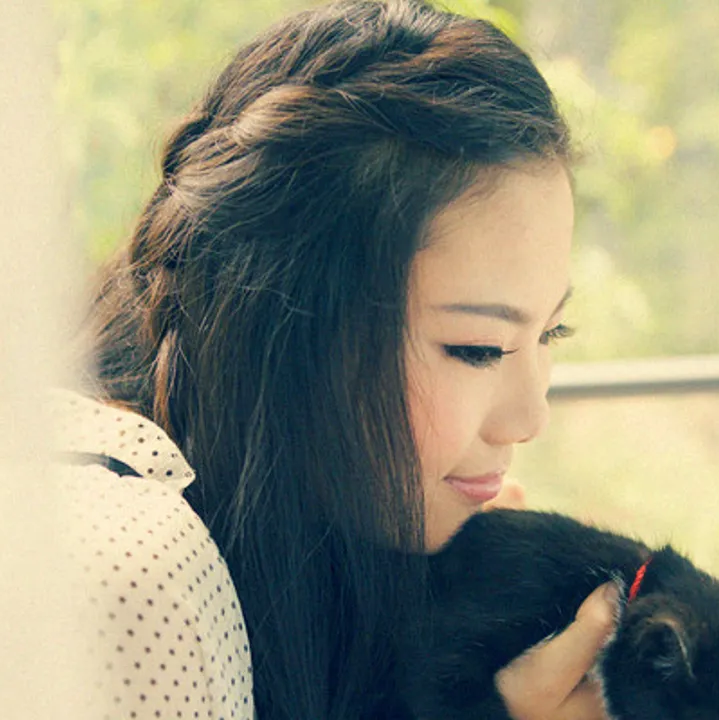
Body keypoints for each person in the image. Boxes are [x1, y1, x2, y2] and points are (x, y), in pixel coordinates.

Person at [70, 1, 620, 718]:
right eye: (477, 349)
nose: (528, 418)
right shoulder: (129, 569)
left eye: (551, 333)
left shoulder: (311, 541)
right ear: (283, 330)